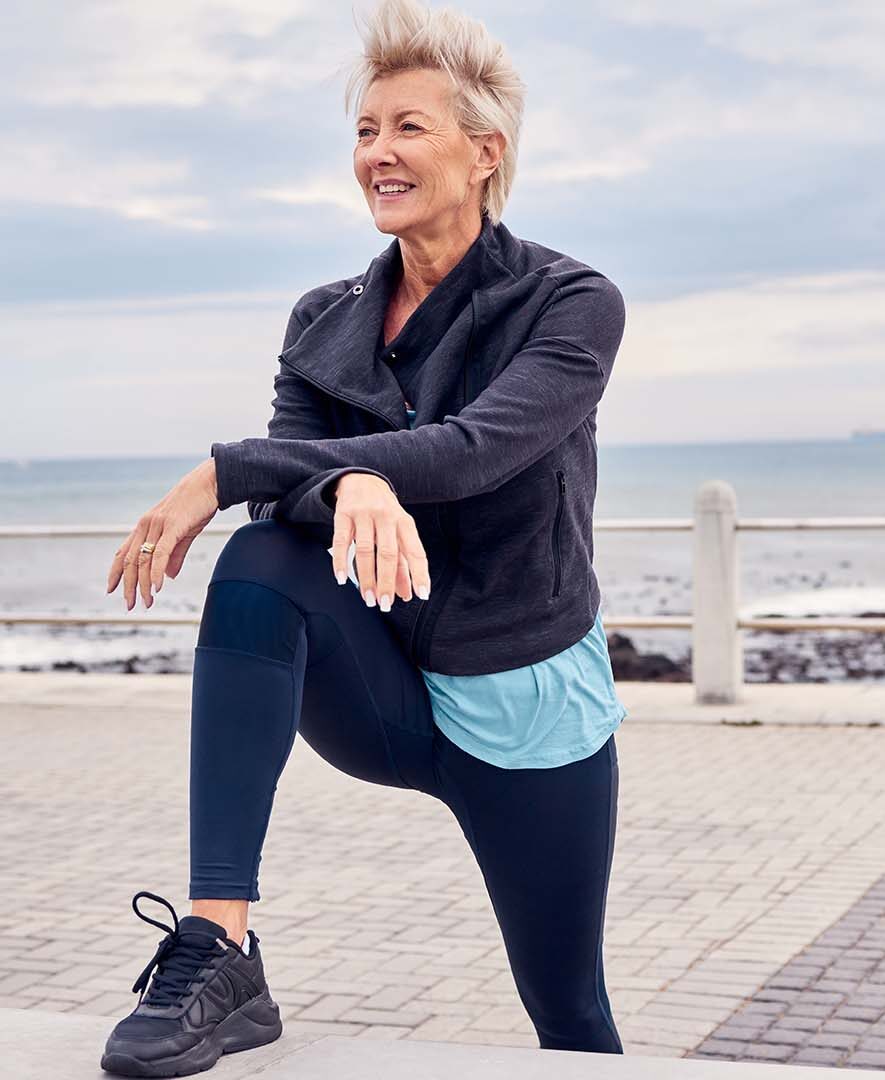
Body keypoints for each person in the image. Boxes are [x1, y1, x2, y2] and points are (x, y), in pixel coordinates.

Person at [100, 0, 628, 1074]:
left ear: (485, 154)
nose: (376, 154)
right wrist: (340, 485)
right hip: (382, 687)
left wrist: (233, 465)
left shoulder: (569, 303)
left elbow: (477, 449)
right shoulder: (324, 318)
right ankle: (219, 946)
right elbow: (286, 502)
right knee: (260, 560)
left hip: (525, 707)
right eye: (363, 131)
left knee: (570, 1014)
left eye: (407, 128)